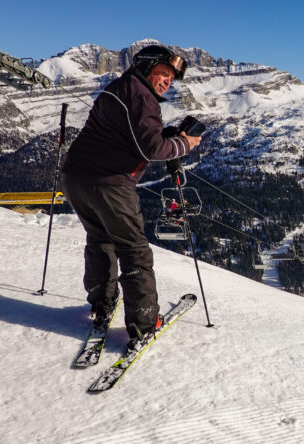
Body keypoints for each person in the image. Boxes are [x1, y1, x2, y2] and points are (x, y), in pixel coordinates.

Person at [61, 45, 202, 347]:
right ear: (146, 67)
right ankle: (144, 323)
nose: (167, 81)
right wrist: (185, 144)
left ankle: (102, 302)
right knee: (134, 250)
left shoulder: (119, 88)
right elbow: (152, 149)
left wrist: (165, 135)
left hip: (75, 177)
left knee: (100, 238)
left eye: (171, 78)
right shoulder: (141, 95)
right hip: (109, 183)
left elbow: (131, 134)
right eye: (163, 73)